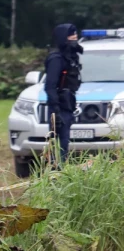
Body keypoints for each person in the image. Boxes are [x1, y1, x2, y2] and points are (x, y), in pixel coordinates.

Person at [44, 23, 82, 166]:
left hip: (68, 104)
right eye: (71, 35)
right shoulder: (56, 59)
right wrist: (56, 111)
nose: (75, 37)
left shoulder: (70, 58)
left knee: (64, 143)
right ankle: (55, 170)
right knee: (58, 144)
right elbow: (50, 86)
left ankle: (62, 168)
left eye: (75, 34)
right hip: (59, 107)